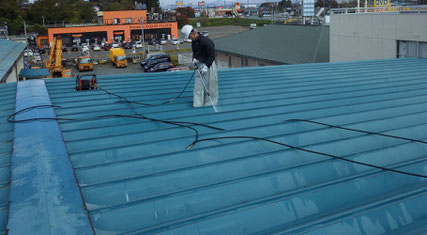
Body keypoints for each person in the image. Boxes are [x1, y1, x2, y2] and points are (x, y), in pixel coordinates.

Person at [181, 25, 218, 108]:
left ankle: (209, 104)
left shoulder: (207, 42)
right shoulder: (194, 42)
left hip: (209, 65)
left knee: (210, 85)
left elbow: (212, 56)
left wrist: (206, 66)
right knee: (198, 86)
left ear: (194, 33)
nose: (189, 38)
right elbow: (195, 52)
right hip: (199, 65)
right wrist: (194, 59)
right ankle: (198, 104)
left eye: (189, 36)